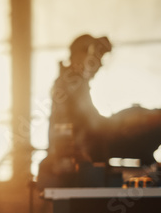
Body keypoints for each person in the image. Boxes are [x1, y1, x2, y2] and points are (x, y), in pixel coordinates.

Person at [44, 34, 161, 180]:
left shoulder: (70, 82)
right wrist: (131, 120)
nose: (99, 65)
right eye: (96, 58)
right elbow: (95, 125)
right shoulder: (72, 84)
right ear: (81, 55)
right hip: (75, 168)